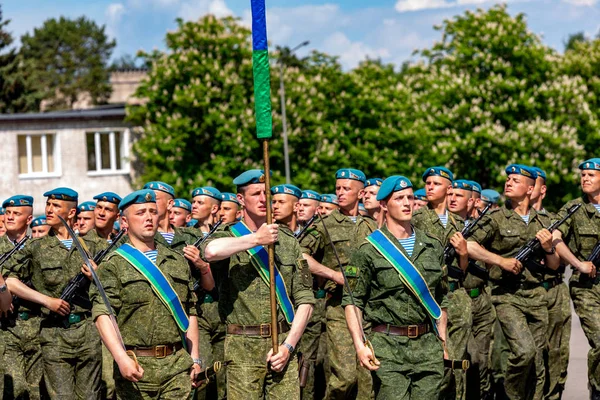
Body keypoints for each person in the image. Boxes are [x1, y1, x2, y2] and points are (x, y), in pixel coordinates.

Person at [202, 169, 315, 399]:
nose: (264, 200)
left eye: (267, 193)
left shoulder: (288, 241)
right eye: (256, 194)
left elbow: (306, 301)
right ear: (241, 200)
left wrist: (289, 347)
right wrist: (256, 240)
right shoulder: (228, 235)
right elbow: (211, 252)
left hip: (283, 344)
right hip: (242, 346)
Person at [343, 175, 448, 399]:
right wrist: (360, 345)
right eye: (399, 198)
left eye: (410, 197)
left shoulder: (432, 246)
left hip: (428, 347)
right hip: (387, 347)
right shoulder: (368, 249)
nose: (407, 203)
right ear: (384, 204)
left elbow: (441, 299)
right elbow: (353, 301)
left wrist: (442, 341)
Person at [91, 189, 201, 399]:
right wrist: (121, 359)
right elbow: (102, 315)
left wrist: (195, 358)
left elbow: (190, 312)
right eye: (140, 213)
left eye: (152, 211)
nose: (149, 217)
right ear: (124, 221)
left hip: (177, 365)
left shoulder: (176, 261)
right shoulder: (113, 264)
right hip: (136, 368)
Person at [467, 165, 560, 400]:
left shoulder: (545, 221)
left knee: (538, 363)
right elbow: (469, 245)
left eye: (515, 180)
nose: (508, 182)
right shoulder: (495, 219)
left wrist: (549, 247)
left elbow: (554, 265)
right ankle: (511, 396)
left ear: (530, 189)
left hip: (537, 296)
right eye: (508, 179)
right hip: (506, 296)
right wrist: (501, 261)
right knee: (524, 353)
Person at [6, 187, 105, 399]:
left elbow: (114, 286)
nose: (49, 210)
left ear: (71, 213)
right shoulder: (36, 247)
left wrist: (99, 275)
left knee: (90, 396)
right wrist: (46, 300)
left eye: (56, 206)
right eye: (48, 205)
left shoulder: (95, 246)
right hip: (54, 334)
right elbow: (11, 281)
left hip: (88, 331)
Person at [303, 168, 377, 400]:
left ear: (361, 193)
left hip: (371, 309)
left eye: (347, 189)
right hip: (338, 307)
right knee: (344, 377)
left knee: (368, 380)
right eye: (338, 188)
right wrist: (333, 275)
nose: (340, 193)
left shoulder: (373, 226)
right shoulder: (325, 224)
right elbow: (301, 255)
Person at [551, 158, 600, 400]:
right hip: (587, 287)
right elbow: (555, 237)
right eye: (583, 175)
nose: (585, 179)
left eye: (591, 175)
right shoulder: (573, 208)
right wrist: (578, 263)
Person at [0, 195, 43, 400]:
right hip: (8, 328)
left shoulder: (40, 249)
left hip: (38, 327)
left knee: (37, 391)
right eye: (8, 213)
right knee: (15, 390)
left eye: (16, 213)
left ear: (28, 219)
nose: (9, 217)